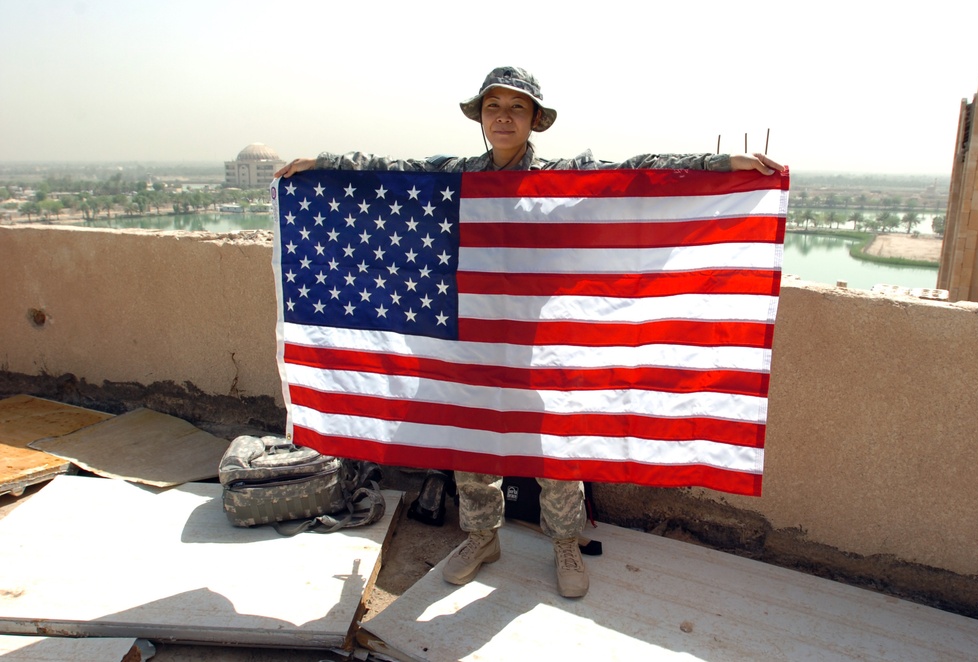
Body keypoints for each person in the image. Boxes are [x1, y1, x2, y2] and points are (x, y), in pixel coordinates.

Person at [276, 66, 784, 599]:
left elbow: (639, 171)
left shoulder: (565, 178)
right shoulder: (456, 176)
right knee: (472, 449)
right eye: (492, 106)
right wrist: (322, 166)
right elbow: (387, 173)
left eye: (516, 107)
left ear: (534, 120)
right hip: (467, 344)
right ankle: (480, 538)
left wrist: (724, 164)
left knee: (555, 452)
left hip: (540, 348)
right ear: (480, 117)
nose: (502, 116)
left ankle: (564, 542)